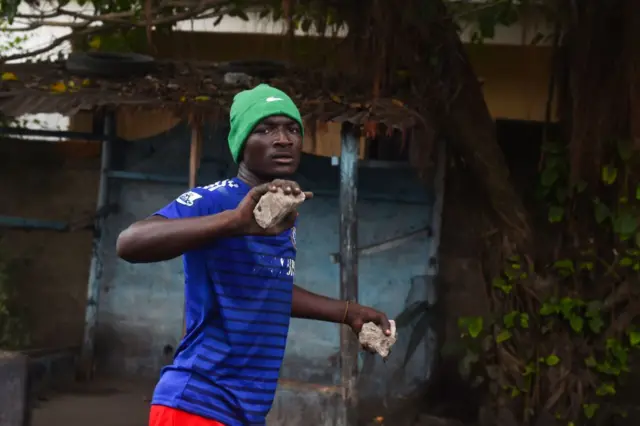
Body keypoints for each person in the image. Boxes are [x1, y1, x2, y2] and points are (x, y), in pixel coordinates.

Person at [116, 83, 391, 426]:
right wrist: (235, 221)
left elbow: (266, 288)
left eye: (292, 129)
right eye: (266, 129)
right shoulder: (216, 200)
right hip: (198, 401)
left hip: (244, 409)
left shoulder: (280, 213)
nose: (283, 139)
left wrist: (348, 312)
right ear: (242, 143)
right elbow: (129, 243)